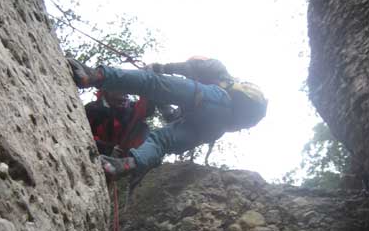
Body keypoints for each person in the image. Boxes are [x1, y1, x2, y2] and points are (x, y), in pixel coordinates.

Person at [68, 57, 268, 180]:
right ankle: (125, 165)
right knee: (160, 141)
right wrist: (161, 101)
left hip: (216, 101)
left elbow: (181, 72)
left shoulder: (217, 70)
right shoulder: (218, 102)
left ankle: (94, 76)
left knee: (151, 83)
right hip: (213, 130)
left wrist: (159, 68)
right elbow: (172, 116)